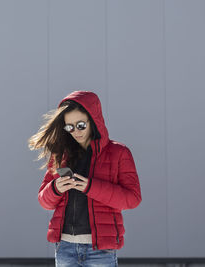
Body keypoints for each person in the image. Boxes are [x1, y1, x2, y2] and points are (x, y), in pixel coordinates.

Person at [28, 91, 141, 267]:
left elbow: (133, 199)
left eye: (80, 125)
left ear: (94, 121)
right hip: (65, 248)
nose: (75, 132)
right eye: (69, 127)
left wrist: (91, 187)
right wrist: (56, 188)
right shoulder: (61, 155)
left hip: (100, 251)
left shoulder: (119, 153)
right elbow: (44, 201)